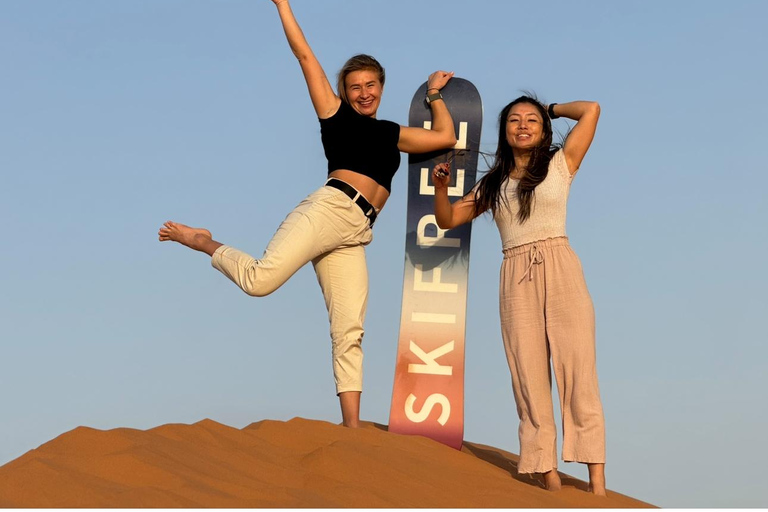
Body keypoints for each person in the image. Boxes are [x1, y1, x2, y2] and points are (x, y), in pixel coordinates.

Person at [158, 0, 457, 429]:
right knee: (260, 281)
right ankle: (204, 241)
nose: (364, 92)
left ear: (382, 87)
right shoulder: (333, 113)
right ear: (344, 90)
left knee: (349, 329)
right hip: (328, 209)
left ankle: (351, 428)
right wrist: (283, 5)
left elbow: (444, 135)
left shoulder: (392, 133)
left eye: (371, 84)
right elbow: (304, 55)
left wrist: (433, 95)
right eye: (355, 86)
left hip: (356, 231)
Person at [432, 96, 606, 494]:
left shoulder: (561, 164)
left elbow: (592, 110)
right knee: (527, 375)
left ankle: (597, 484)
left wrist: (553, 108)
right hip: (515, 274)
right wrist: (441, 189)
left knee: (579, 370)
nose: (523, 126)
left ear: (543, 130)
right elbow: (447, 219)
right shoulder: (492, 184)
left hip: (561, 265)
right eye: (514, 120)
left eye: (531, 120)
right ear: (504, 130)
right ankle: (548, 475)